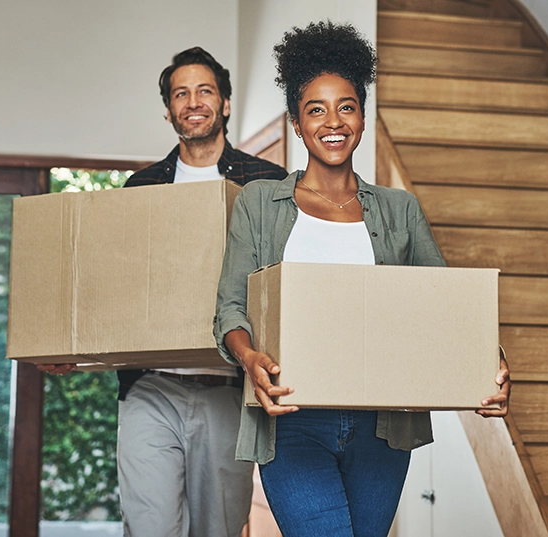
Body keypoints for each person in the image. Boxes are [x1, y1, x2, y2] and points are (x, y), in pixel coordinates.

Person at [213, 21, 511, 537]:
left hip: (384, 425)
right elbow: (230, 309)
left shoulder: (400, 210)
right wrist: (249, 356)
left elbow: (446, 307)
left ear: (364, 117)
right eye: (316, 109)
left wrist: (490, 359)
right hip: (292, 418)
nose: (333, 121)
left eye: (346, 106)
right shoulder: (260, 204)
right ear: (297, 123)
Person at [39, 46, 287, 537]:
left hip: (227, 389)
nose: (193, 102)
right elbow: (115, 287)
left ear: (226, 103)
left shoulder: (267, 183)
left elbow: (282, 284)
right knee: (149, 527)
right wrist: (72, 348)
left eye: (204, 91)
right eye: (181, 93)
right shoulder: (141, 186)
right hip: (150, 389)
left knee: (218, 529)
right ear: (169, 109)